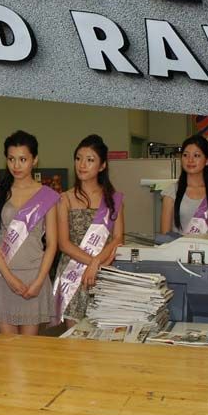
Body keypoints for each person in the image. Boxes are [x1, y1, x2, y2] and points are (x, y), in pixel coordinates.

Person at [0, 130, 59, 335]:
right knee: (7, 348)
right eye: (11, 159)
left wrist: (39, 282)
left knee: (28, 349)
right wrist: (9, 278)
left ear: (34, 160)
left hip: (34, 277)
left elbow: (52, 244)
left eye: (22, 159)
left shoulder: (47, 196)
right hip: (4, 277)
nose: (16, 165)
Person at [53, 135, 125, 327]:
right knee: (73, 336)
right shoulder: (65, 199)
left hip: (105, 272)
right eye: (78, 158)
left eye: (90, 159)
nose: (82, 165)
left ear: (102, 166)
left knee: (104, 334)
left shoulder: (114, 199)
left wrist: (97, 264)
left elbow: (118, 238)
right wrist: (94, 263)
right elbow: (63, 243)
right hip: (73, 273)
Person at [160, 135, 208, 236]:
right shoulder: (171, 192)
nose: (190, 160)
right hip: (177, 246)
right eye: (185, 155)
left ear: (207, 160)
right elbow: (165, 235)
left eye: (196, 155)